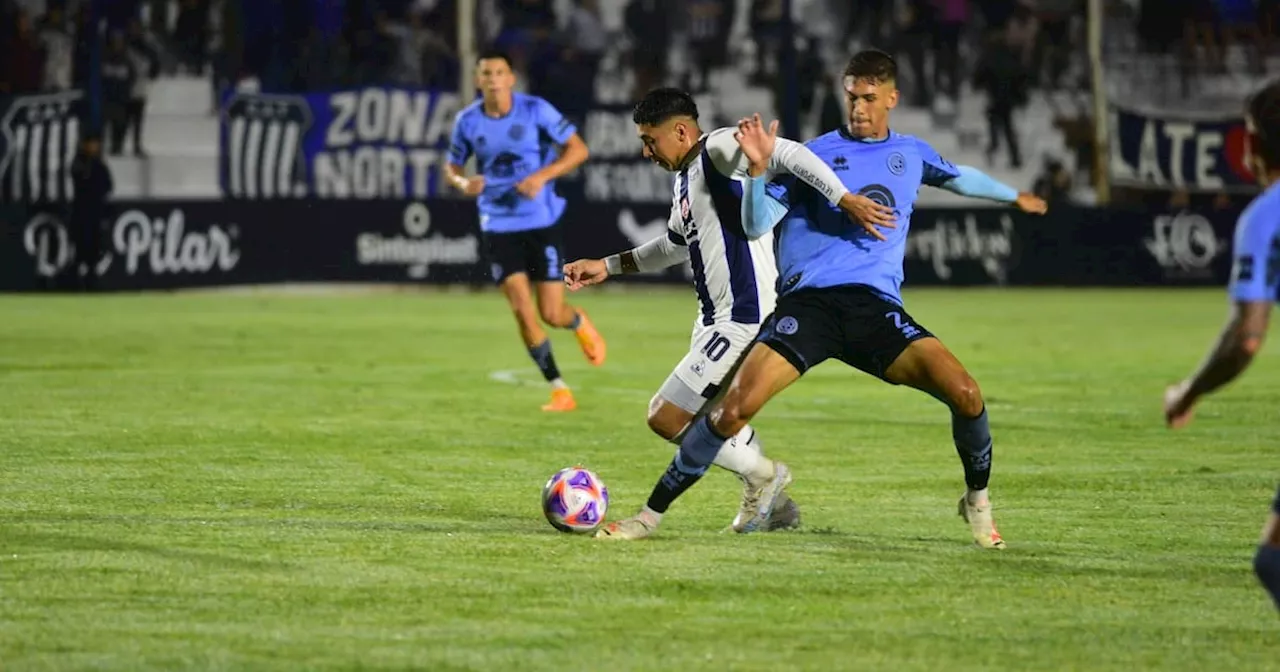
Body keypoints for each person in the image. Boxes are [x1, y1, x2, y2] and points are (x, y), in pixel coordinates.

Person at [607, 49, 1048, 546]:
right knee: (729, 413)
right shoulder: (812, 157)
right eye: (851, 97)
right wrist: (757, 172)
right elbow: (755, 224)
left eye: (869, 98)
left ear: (891, 98)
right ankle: (650, 516)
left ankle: (977, 502)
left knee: (966, 394)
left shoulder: (911, 154)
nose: (858, 107)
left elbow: (961, 176)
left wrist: (1012, 196)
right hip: (806, 308)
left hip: (874, 309)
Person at [566, 87, 896, 540]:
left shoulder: (718, 149)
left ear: (681, 131)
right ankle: (775, 505)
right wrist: (605, 265)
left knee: (666, 416)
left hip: (742, 318)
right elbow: (672, 246)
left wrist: (843, 198)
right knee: (717, 419)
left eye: (650, 140)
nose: (646, 152)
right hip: (713, 320)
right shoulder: (685, 178)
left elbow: (790, 153)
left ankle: (756, 480)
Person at [1163, 81, 1280, 611]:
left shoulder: (1266, 216)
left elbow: (1247, 338)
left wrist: (1188, 393)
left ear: (1256, 146)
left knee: (1272, 560)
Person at [446, 50, 606, 412]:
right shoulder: (468, 121)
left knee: (552, 312)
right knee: (521, 308)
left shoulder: (536, 110)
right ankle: (559, 389)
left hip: (540, 221)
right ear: (478, 80)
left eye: (499, 72)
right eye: (485, 73)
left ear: (510, 79)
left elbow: (578, 150)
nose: (492, 79)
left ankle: (578, 320)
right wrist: (461, 183)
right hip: (497, 223)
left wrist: (541, 176)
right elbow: (452, 167)